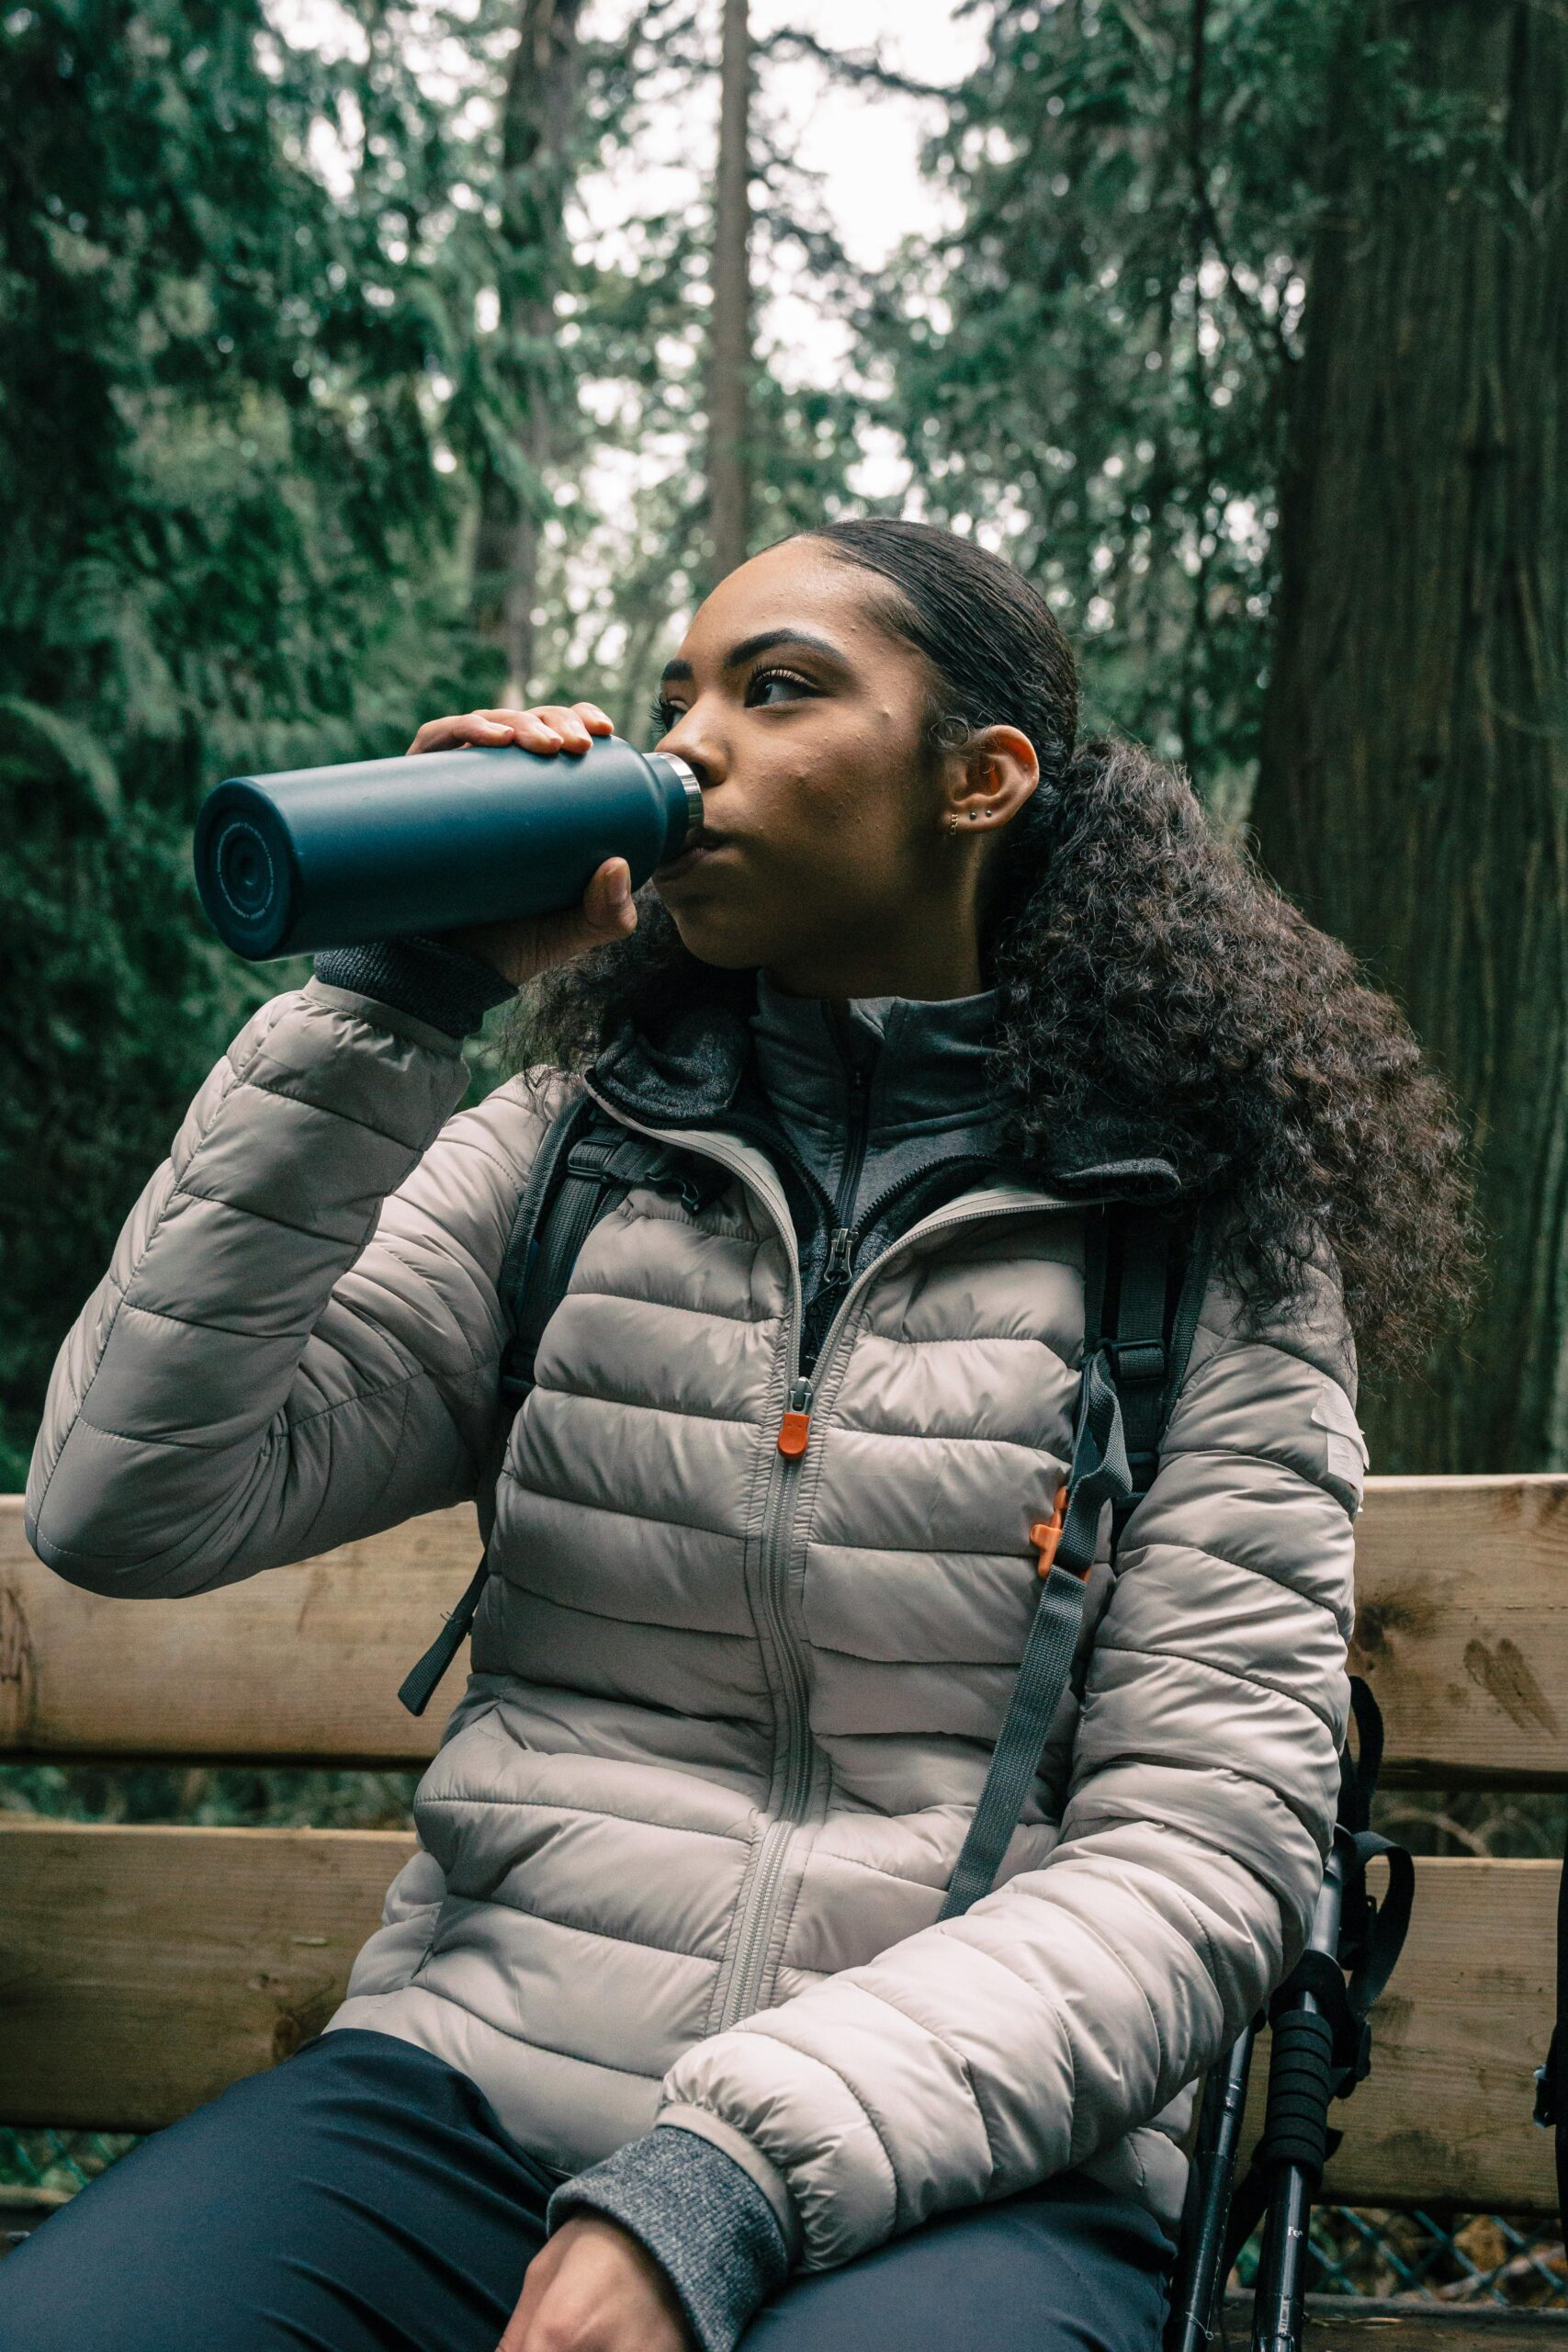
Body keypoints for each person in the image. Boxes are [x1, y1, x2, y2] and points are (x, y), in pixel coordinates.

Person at [8, 520, 1472, 2352]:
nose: (690, 741)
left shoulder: (1188, 1235)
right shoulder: (563, 1154)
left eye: (774, 689)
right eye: (674, 696)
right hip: (472, 2095)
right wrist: (393, 996)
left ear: (979, 778)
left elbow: (1198, 1857)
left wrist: (718, 2175)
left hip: (963, 2170)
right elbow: (121, 1502)